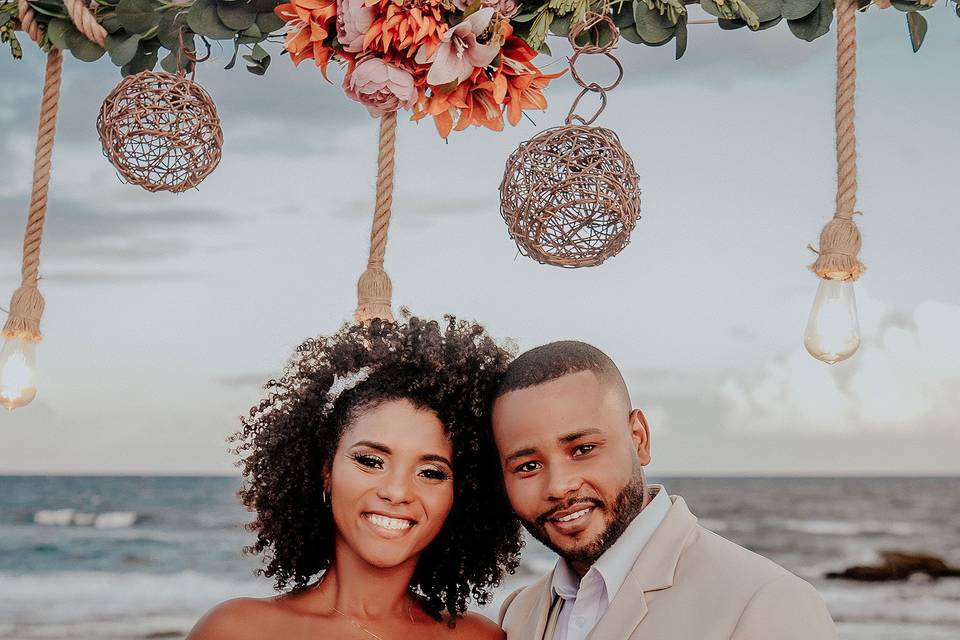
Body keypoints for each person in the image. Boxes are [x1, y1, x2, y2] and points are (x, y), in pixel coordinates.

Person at [188, 316, 522, 640]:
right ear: (326, 473)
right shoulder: (235, 630)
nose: (396, 491)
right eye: (370, 461)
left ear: (460, 496)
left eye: (431, 472)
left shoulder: (481, 637)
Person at [492, 340, 837, 640]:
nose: (558, 486)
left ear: (638, 438)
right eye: (528, 466)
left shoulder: (766, 601)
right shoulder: (518, 613)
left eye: (582, 449)